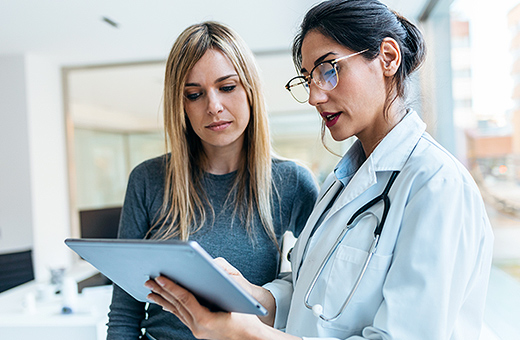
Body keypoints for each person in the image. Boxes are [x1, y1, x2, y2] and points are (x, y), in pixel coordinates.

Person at [144, 1, 495, 339]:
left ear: (387, 57)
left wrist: (247, 335)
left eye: (329, 69)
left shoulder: (436, 185)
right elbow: (307, 290)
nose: (314, 96)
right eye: (308, 78)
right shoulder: (341, 184)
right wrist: (251, 295)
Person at [106, 21, 319, 340]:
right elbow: (125, 312)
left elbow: (318, 290)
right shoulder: (149, 180)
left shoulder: (291, 182)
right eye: (194, 94)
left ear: (250, 90)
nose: (213, 107)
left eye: (228, 87)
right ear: (182, 106)